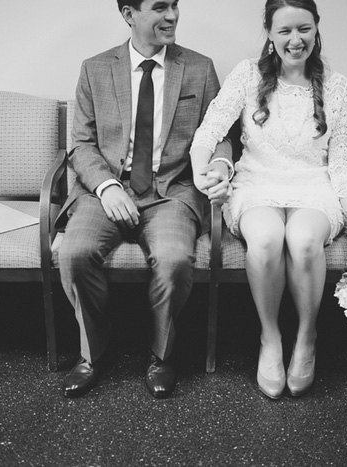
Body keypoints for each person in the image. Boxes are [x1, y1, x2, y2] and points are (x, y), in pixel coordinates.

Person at [56, 0, 233, 399]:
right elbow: (81, 145)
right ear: (128, 14)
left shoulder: (200, 68)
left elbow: (222, 132)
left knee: (173, 260)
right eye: (159, 7)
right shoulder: (95, 68)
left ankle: (162, 355)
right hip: (106, 193)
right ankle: (93, 351)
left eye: (174, 6)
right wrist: (106, 186)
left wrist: (221, 164)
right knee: (75, 254)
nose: (171, 16)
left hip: (173, 191)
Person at [191, 0, 347, 399]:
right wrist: (206, 179)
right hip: (256, 183)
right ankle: (269, 338)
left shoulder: (338, 87)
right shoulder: (247, 75)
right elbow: (208, 132)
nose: (295, 40)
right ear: (269, 32)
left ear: (316, 28)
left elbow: (341, 159)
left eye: (303, 29)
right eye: (285, 30)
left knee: (304, 241)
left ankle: (307, 337)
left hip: (313, 185)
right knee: (267, 238)